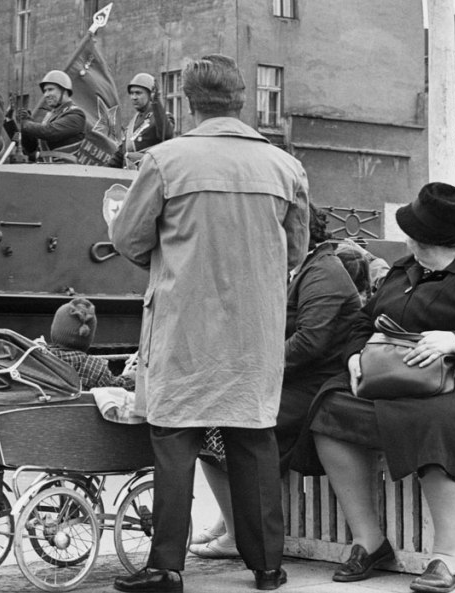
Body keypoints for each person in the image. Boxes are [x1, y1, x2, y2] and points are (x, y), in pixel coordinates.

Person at [109, 54, 310, 592]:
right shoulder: (285, 167)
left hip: (184, 327)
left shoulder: (165, 160)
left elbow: (127, 240)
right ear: (242, 99)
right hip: (254, 332)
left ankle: (166, 566)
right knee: (253, 441)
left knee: (174, 442)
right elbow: (296, 250)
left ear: (187, 102)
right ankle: (268, 566)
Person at [290, 182, 455, 593]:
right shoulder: (407, 268)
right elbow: (363, 324)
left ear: (427, 239)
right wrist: (354, 356)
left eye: (413, 234)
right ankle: (370, 540)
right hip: (405, 381)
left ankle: (447, 557)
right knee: (330, 406)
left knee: (435, 418)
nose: (407, 240)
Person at [189, 205, 361, 559]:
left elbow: (309, 343)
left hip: (315, 388)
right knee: (210, 415)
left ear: (297, 233)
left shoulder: (324, 273)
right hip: (292, 380)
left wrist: (250, 368)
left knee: (219, 423)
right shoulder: (303, 268)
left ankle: (239, 533)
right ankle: (231, 517)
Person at [43, 298, 134, 391]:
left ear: (54, 331)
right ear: (89, 337)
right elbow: (117, 387)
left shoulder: (39, 359)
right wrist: (132, 377)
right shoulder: (96, 368)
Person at [13, 70, 86, 162]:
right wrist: (25, 125)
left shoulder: (76, 114)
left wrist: (25, 124)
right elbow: (32, 147)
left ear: (64, 90)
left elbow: (50, 132)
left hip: (66, 170)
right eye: (45, 91)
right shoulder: (50, 116)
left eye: (50, 89)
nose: (46, 94)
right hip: (46, 168)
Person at [108, 73, 174, 169]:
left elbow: (167, 134)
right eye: (131, 93)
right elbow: (120, 155)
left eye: (138, 93)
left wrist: (156, 102)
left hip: (150, 174)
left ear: (150, 94)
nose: (134, 97)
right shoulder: (132, 123)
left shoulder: (162, 117)